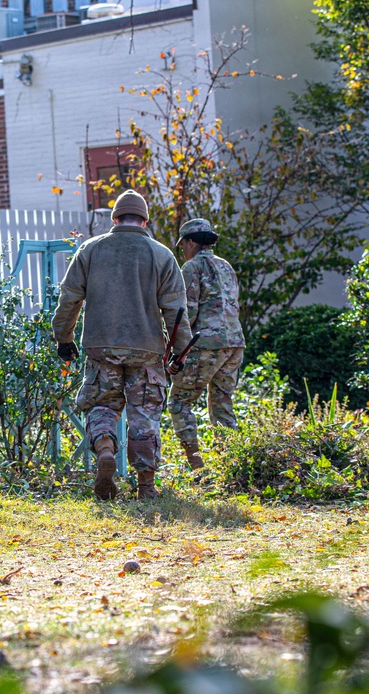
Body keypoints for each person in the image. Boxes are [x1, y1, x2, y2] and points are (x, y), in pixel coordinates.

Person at [52, 190, 192, 500]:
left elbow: (69, 299)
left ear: (115, 219)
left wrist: (64, 338)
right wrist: (179, 354)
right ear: (145, 220)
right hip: (147, 349)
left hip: (101, 346)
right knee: (144, 414)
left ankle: (104, 450)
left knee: (102, 405)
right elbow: (176, 312)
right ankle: (145, 488)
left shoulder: (90, 250)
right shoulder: (162, 255)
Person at [167, 218, 246, 470]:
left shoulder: (191, 267)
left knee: (179, 402)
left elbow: (187, 312)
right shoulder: (226, 266)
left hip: (206, 344)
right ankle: (233, 465)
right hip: (234, 342)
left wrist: (173, 346)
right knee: (222, 401)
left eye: (183, 245)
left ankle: (196, 466)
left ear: (191, 242)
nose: (182, 250)